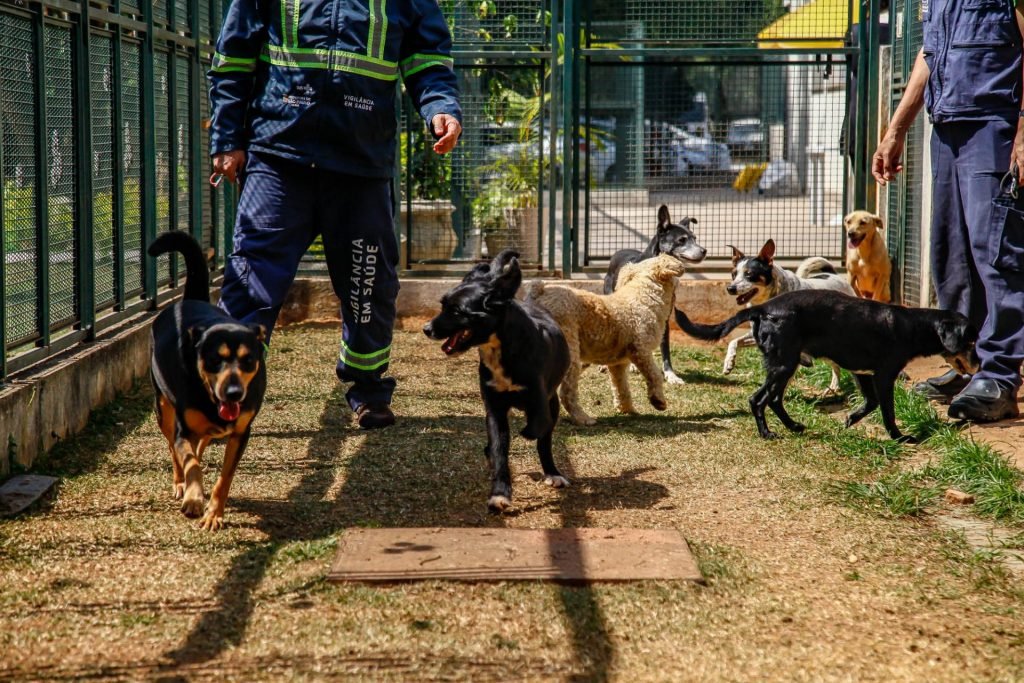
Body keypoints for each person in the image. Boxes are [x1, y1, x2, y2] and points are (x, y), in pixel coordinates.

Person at [208, 0, 462, 429]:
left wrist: (440, 107)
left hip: (360, 163)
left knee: (369, 283)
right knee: (252, 276)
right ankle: (231, 390)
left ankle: (367, 388)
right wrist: (227, 138)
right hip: (278, 155)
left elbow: (427, 59)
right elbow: (233, 58)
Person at [873, 0, 1024, 422]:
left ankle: (999, 377)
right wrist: (895, 129)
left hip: (995, 122)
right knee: (951, 254)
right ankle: (964, 363)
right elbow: (929, 54)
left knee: (997, 253)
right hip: (946, 127)